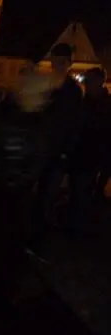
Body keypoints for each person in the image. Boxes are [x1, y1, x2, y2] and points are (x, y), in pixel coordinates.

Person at [0, 68, 53, 309]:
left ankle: (2, 292)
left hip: (16, 195)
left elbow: (38, 158)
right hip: (0, 194)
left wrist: (20, 179)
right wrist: (2, 177)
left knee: (10, 244)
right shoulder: (7, 118)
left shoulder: (37, 124)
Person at [33, 42, 83, 234]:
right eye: (55, 61)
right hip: (41, 146)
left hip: (57, 150)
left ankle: (41, 229)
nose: (57, 66)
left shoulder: (72, 91)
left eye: (61, 62)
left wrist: (65, 151)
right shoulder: (47, 85)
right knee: (37, 191)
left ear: (68, 64)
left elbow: (74, 122)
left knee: (48, 193)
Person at [68, 67, 111, 234]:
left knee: (83, 194)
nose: (86, 84)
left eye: (89, 81)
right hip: (81, 156)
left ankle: (79, 228)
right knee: (78, 193)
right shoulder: (86, 102)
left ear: (99, 82)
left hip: (91, 157)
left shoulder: (104, 106)